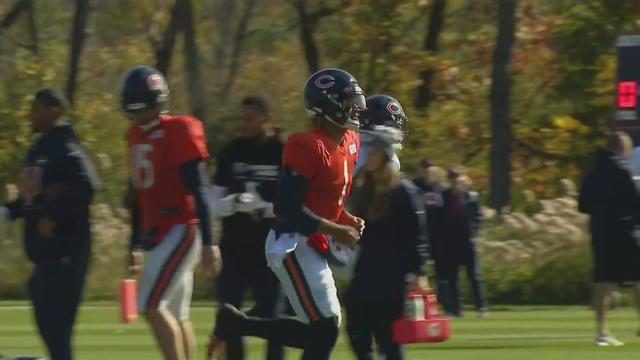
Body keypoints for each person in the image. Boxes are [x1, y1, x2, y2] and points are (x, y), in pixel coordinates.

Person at [211, 68, 366, 360]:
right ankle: (239, 324)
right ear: (327, 105)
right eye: (347, 101)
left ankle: (237, 324)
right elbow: (286, 208)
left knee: (323, 329)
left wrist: (344, 218)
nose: (355, 108)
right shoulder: (307, 144)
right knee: (326, 328)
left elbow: (324, 201)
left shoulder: (350, 141)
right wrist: (336, 230)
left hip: (314, 241)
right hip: (292, 243)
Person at [121, 66, 222, 360]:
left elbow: (200, 188)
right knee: (177, 314)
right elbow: (138, 194)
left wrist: (209, 241)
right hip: (162, 231)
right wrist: (134, 244)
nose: (139, 115)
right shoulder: (135, 136)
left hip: (181, 226)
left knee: (150, 306)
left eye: (143, 105)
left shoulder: (178, 129)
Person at [0, 89, 99, 360]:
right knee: (47, 323)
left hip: (66, 251)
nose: (31, 115)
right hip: (45, 255)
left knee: (57, 330)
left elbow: (87, 186)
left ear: (53, 111)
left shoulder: (66, 147)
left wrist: (54, 217)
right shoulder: (40, 149)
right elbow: (33, 198)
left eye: (36, 109)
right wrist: (8, 212)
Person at [207, 96, 285, 360]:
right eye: (243, 117)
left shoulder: (284, 151)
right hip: (234, 247)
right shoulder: (232, 151)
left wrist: (265, 207)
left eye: (251, 117)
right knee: (229, 314)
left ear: (266, 116)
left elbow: (300, 203)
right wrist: (237, 203)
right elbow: (213, 203)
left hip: (273, 246)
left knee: (272, 316)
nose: (246, 123)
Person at [346, 130, 429, 360]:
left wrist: (419, 272)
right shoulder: (364, 189)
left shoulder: (403, 191)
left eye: (374, 152)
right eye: (368, 151)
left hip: (393, 274)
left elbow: (416, 235)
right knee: (355, 320)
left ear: (385, 155)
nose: (369, 156)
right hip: (367, 268)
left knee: (388, 337)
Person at [578, 131, 640, 346]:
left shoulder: (591, 172)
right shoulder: (622, 171)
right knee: (636, 281)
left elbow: (583, 205)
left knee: (603, 282)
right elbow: (636, 204)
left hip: (599, 231)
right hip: (623, 232)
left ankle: (602, 332)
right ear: (622, 149)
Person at [440, 169, 486, 317]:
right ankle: (456, 309)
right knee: (453, 278)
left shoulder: (471, 197)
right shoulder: (444, 196)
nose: (455, 181)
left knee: (474, 276)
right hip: (451, 242)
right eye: (452, 178)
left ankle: (481, 307)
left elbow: (478, 217)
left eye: (457, 178)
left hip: (468, 241)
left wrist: (474, 231)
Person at [413, 163, 450, 311]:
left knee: (442, 271)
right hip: (419, 235)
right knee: (419, 270)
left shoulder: (440, 189)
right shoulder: (414, 187)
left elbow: (446, 213)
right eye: (426, 170)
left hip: (438, 236)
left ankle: (444, 303)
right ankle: (420, 302)